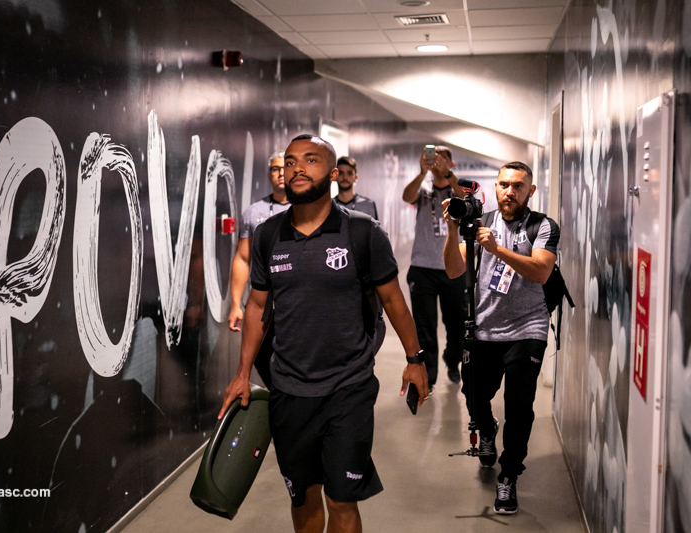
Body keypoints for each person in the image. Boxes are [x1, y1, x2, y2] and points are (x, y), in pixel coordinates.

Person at [219, 134, 428, 533]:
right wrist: (243, 372)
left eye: (310, 160)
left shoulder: (363, 233)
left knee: (341, 498)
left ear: (333, 174)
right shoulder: (267, 235)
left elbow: (393, 300)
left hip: (348, 387)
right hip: (289, 389)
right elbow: (259, 306)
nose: (297, 168)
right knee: (304, 496)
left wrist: (415, 360)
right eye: (292, 161)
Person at [442, 161, 559, 515]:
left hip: (528, 328)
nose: (510, 191)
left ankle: (509, 476)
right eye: (504, 185)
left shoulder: (543, 226)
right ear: (495, 188)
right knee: (474, 395)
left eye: (518, 186)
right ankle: (488, 427)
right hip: (484, 328)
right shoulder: (479, 223)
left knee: (519, 406)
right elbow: (453, 269)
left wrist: (496, 250)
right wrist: (452, 231)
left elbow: (540, 271)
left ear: (530, 191)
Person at [402, 145, 466, 391]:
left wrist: (448, 176)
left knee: (456, 323)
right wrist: (422, 172)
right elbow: (407, 196)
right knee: (425, 325)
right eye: (432, 157)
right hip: (422, 268)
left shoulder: (456, 188)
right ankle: (429, 375)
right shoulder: (423, 189)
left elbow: (465, 197)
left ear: (450, 164)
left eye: (442, 159)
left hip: (453, 267)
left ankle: (452, 361)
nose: (436, 162)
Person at [228, 152, 291, 332]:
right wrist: (235, 305)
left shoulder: (306, 210)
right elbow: (242, 258)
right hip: (261, 301)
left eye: (285, 168)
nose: (280, 173)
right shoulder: (253, 212)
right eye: (275, 169)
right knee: (261, 357)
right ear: (269, 175)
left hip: (296, 302)